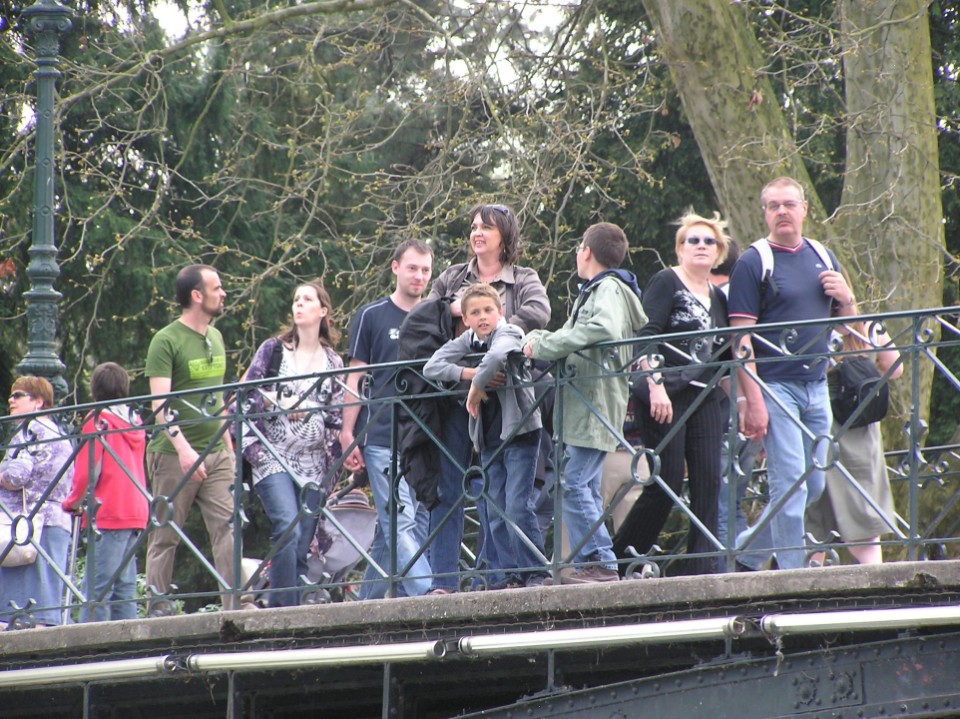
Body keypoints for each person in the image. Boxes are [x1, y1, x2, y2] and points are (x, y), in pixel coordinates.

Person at [728, 177, 856, 571]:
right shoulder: (753, 261)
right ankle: (790, 577)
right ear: (765, 213)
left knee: (812, 484)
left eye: (789, 204)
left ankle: (746, 554)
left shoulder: (823, 255)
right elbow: (739, 338)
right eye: (774, 206)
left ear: (804, 209)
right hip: (775, 386)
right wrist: (753, 400)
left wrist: (847, 298)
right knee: (790, 486)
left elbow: (848, 328)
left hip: (816, 385)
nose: (782, 211)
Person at [424, 203, 550, 593]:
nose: (477, 233)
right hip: (457, 401)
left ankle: (503, 575)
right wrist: (470, 371)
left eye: (486, 228)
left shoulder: (524, 278)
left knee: (502, 497)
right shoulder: (451, 277)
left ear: (504, 237)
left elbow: (539, 312)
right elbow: (427, 318)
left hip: (509, 399)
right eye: (474, 226)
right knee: (450, 488)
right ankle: (444, 582)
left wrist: (499, 334)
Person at [523, 222, 647, 584]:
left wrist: (545, 345)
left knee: (571, 483)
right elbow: (580, 333)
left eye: (578, 247)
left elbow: (601, 328)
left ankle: (601, 562)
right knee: (585, 485)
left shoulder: (607, 288)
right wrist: (542, 338)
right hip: (588, 403)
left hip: (593, 402)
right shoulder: (601, 289)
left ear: (586, 251)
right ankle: (592, 563)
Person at [613, 211, 731, 576]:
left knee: (709, 482)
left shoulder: (718, 297)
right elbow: (646, 335)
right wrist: (655, 384)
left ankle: (703, 570)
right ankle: (621, 559)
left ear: (719, 252)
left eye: (709, 241)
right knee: (666, 482)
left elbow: (726, 354)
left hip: (704, 396)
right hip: (665, 392)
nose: (701, 246)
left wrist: (742, 403)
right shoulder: (667, 281)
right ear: (680, 249)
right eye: (693, 240)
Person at [340, 240, 435, 599]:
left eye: (425, 270)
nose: (419, 276)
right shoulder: (372, 315)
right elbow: (355, 379)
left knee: (399, 526)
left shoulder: (435, 316)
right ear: (395, 268)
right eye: (412, 268)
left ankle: (364, 608)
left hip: (425, 437)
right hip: (380, 434)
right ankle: (428, 596)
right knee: (401, 519)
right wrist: (348, 432)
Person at [241, 281, 344, 607]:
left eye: (307, 299)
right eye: (296, 299)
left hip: (314, 465)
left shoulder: (333, 362)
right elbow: (246, 395)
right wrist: (279, 401)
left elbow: (336, 418)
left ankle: (288, 611)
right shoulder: (273, 350)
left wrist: (335, 467)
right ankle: (282, 615)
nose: (299, 304)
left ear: (323, 311)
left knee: (301, 545)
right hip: (272, 456)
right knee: (287, 527)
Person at [144, 264, 238, 615]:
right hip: (173, 455)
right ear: (197, 295)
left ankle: (236, 606)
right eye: (217, 287)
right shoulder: (165, 340)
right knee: (165, 532)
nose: (223, 293)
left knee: (229, 528)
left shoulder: (217, 337)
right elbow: (160, 405)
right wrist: (183, 450)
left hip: (216, 452)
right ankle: (158, 605)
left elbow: (218, 397)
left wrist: (228, 445)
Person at [806, 313, 902, 565]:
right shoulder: (867, 326)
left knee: (815, 522)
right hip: (860, 429)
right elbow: (896, 367)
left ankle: (810, 582)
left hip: (821, 427)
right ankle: (877, 584)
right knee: (864, 521)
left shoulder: (808, 324)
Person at [63, 363, 148, 622]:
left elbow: (90, 469)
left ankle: (91, 643)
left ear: (95, 388)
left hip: (109, 509)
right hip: (136, 508)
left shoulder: (98, 419)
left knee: (97, 588)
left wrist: (73, 501)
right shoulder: (135, 420)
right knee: (124, 588)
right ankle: (128, 641)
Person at [0, 376, 74, 628]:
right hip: (56, 521)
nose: (11, 400)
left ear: (39, 402)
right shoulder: (58, 433)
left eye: (18, 395)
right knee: (46, 607)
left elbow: (16, 476)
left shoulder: (29, 431)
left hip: (27, 524)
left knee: (20, 613)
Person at [710, 239, 764, 549]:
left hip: (729, 410)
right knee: (733, 500)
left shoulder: (717, 298)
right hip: (758, 404)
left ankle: (732, 566)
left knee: (720, 503)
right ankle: (745, 562)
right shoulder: (749, 294)